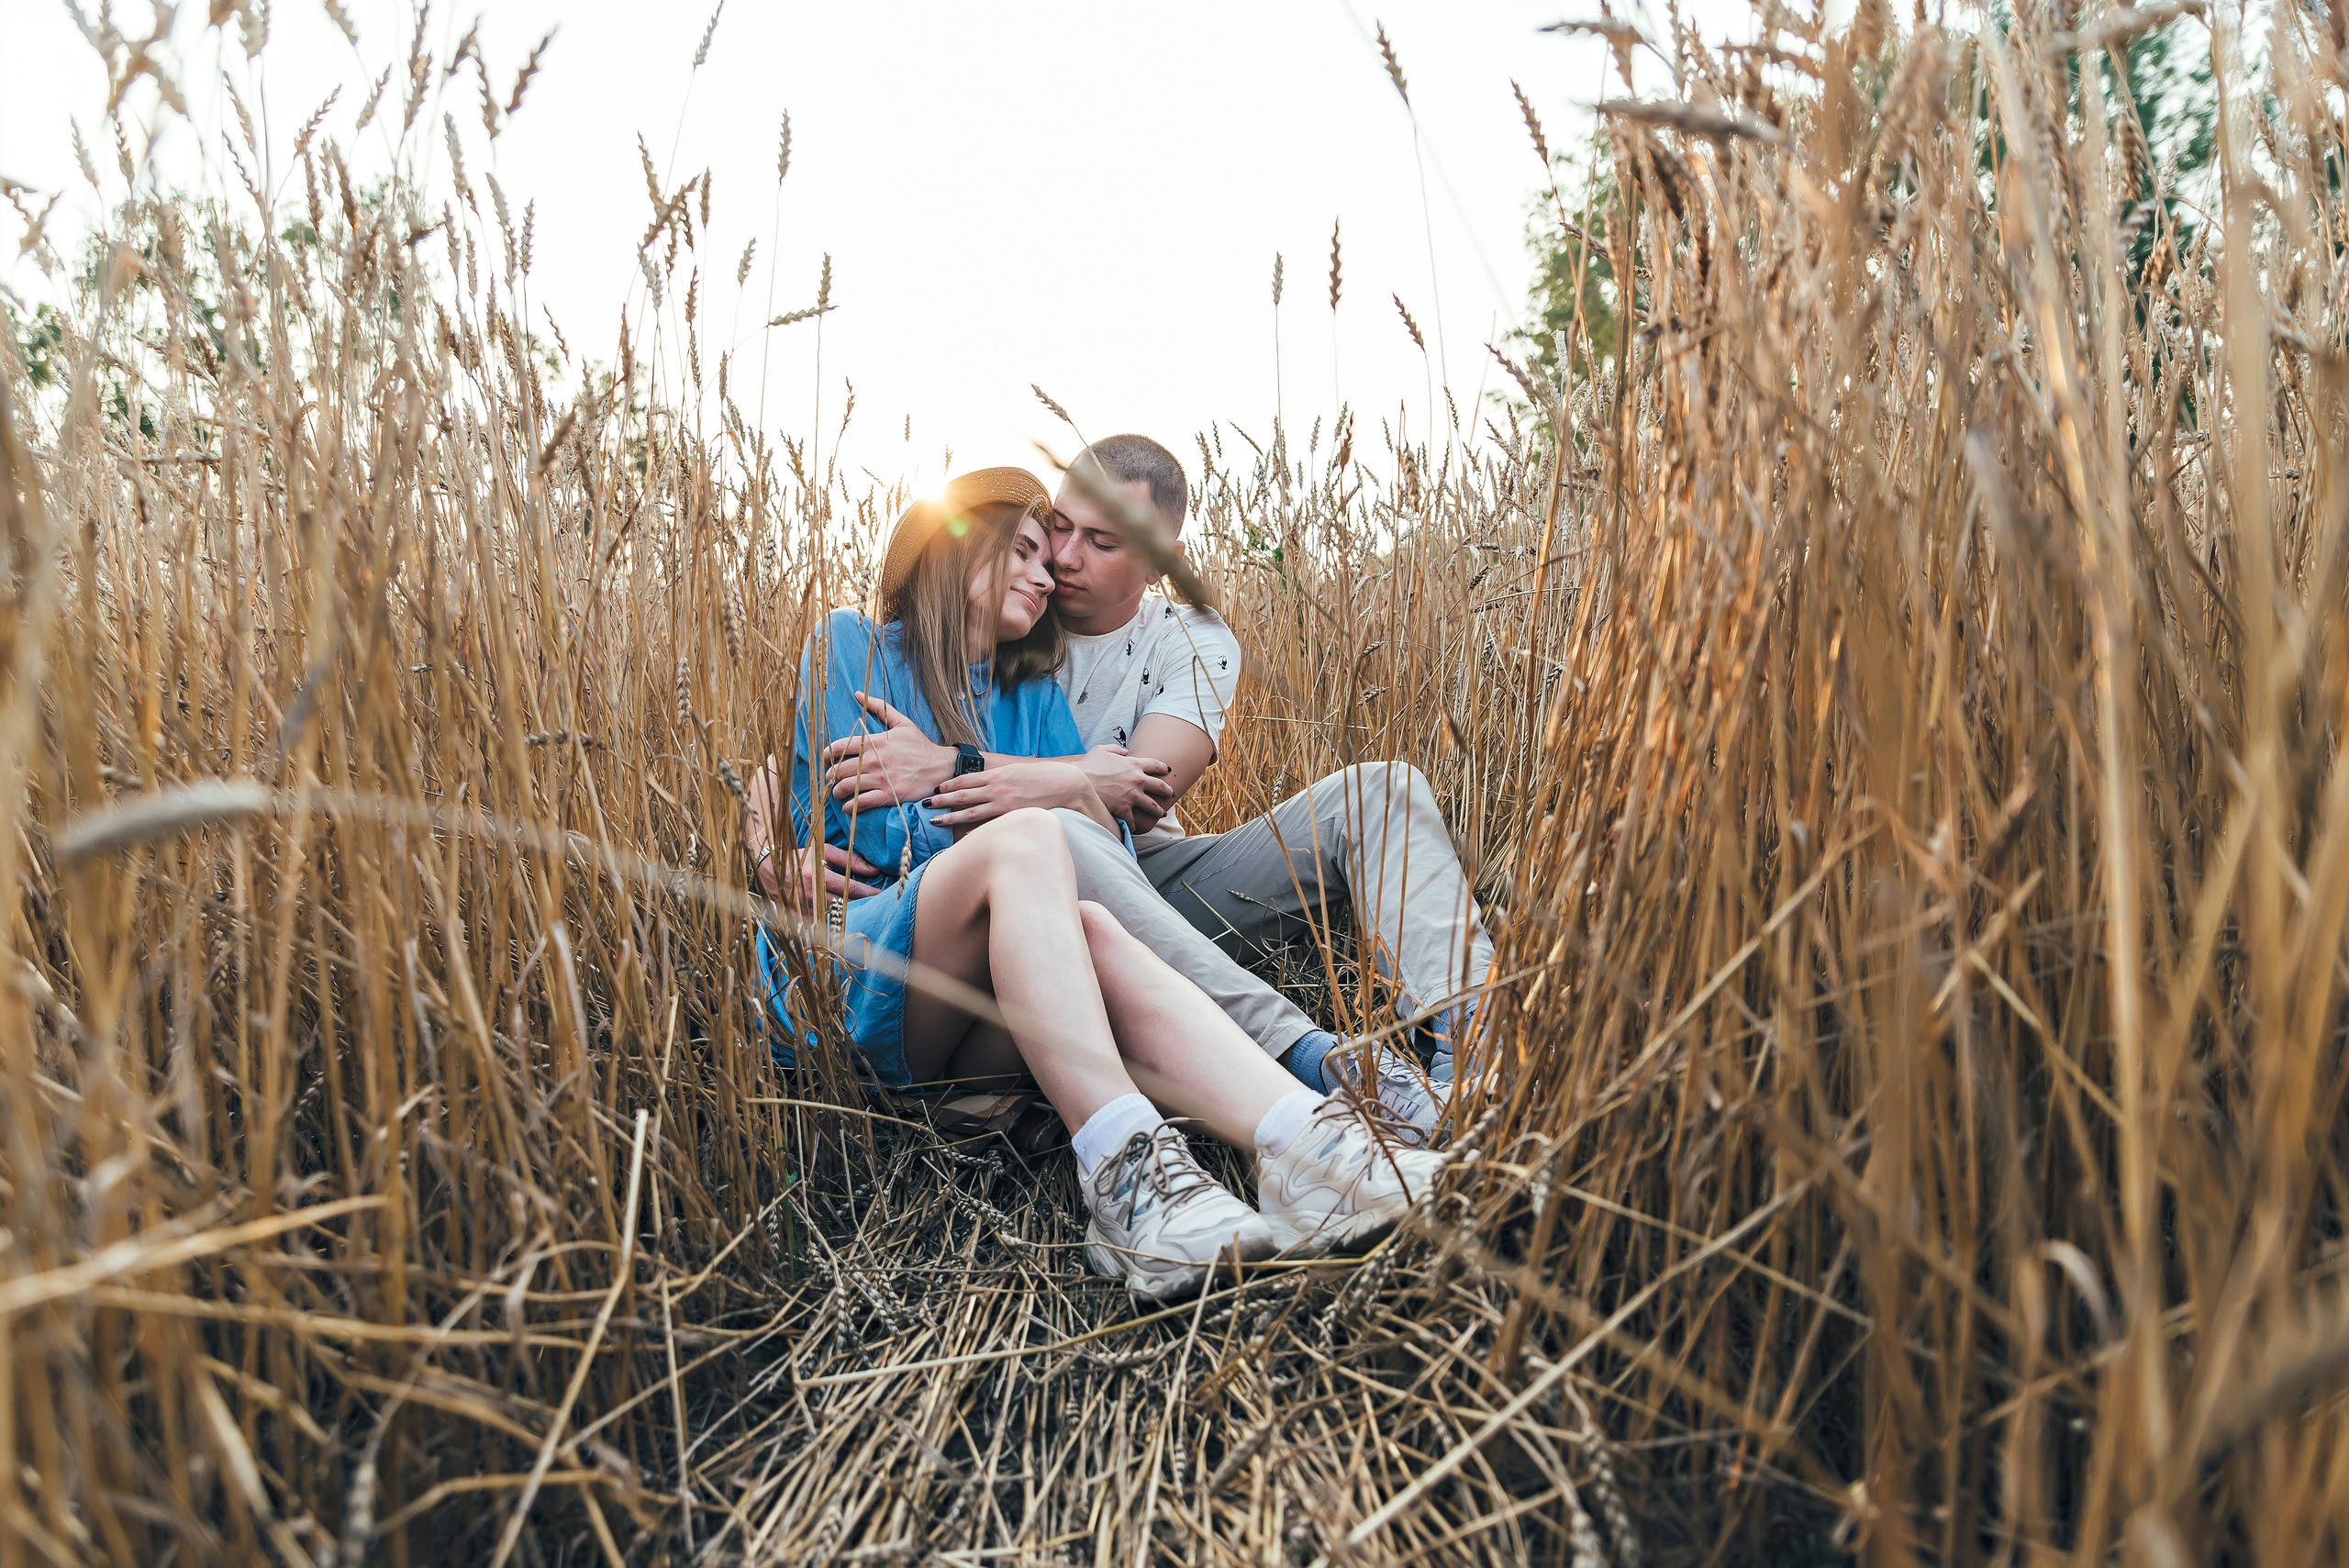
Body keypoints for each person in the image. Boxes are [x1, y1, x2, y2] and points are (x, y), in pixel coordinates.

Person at [742, 468, 1441, 1303]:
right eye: (1027, 552)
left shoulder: (1031, 696)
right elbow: (867, 839)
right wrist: (1039, 796)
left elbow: (1101, 851)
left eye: (1054, 559)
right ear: (958, 541)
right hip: (858, 974)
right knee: (1033, 840)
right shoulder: (853, 644)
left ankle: (1312, 1149)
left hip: (978, 1014)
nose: (1047, 577)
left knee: (1093, 925)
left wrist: (978, 785)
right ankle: (1127, 1171)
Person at [812, 438, 1496, 1138]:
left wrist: (958, 767)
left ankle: (1476, 1042)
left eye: (1101, 541)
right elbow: (845, 765)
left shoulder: (1183, 640)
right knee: (1054, 836)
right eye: (1056, 532)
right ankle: (1309, 1063)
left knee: (1382, 788)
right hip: (987, 912)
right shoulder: (983, 632)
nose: (1063, 562)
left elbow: (1132, 799)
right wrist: (769, 817)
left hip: (1146, 871)